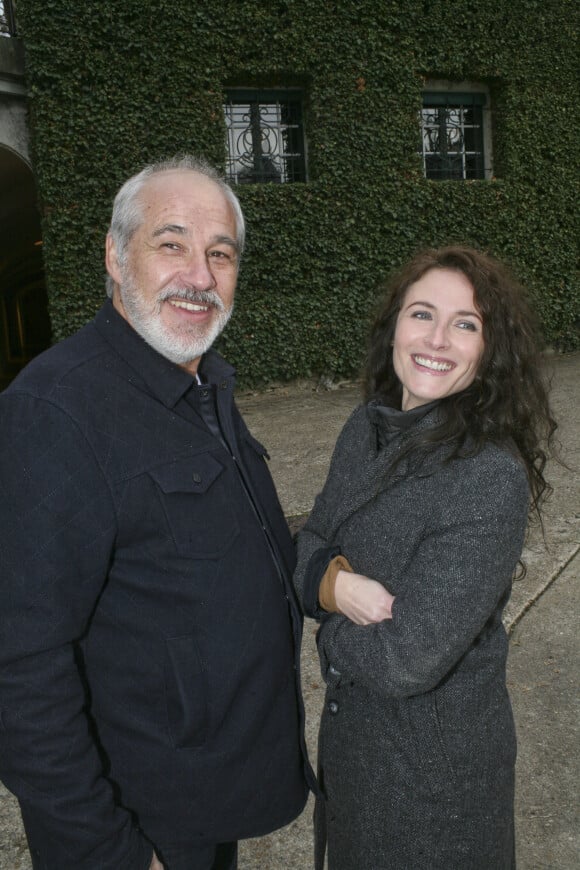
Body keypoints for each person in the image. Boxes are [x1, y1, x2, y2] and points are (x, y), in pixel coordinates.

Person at [0, 155, 315, 870]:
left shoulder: (203, 384)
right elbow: (17, 665)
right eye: (171, 244)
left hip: (201, 801)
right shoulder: (55, 412)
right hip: (136, 827)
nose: (199, 277)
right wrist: (109, 851)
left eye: (220, 254)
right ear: (115, 256)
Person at [294, 245, 557, 869]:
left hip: (432, 786)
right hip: (357, 755)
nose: (437, 338)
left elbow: (405, 661)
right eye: (422, 314)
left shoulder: (487, 475)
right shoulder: (366, 428)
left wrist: (325, 630)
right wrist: (343, 591)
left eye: (466, 324)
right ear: (394, 327)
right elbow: (306, 542)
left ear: (488, 351)